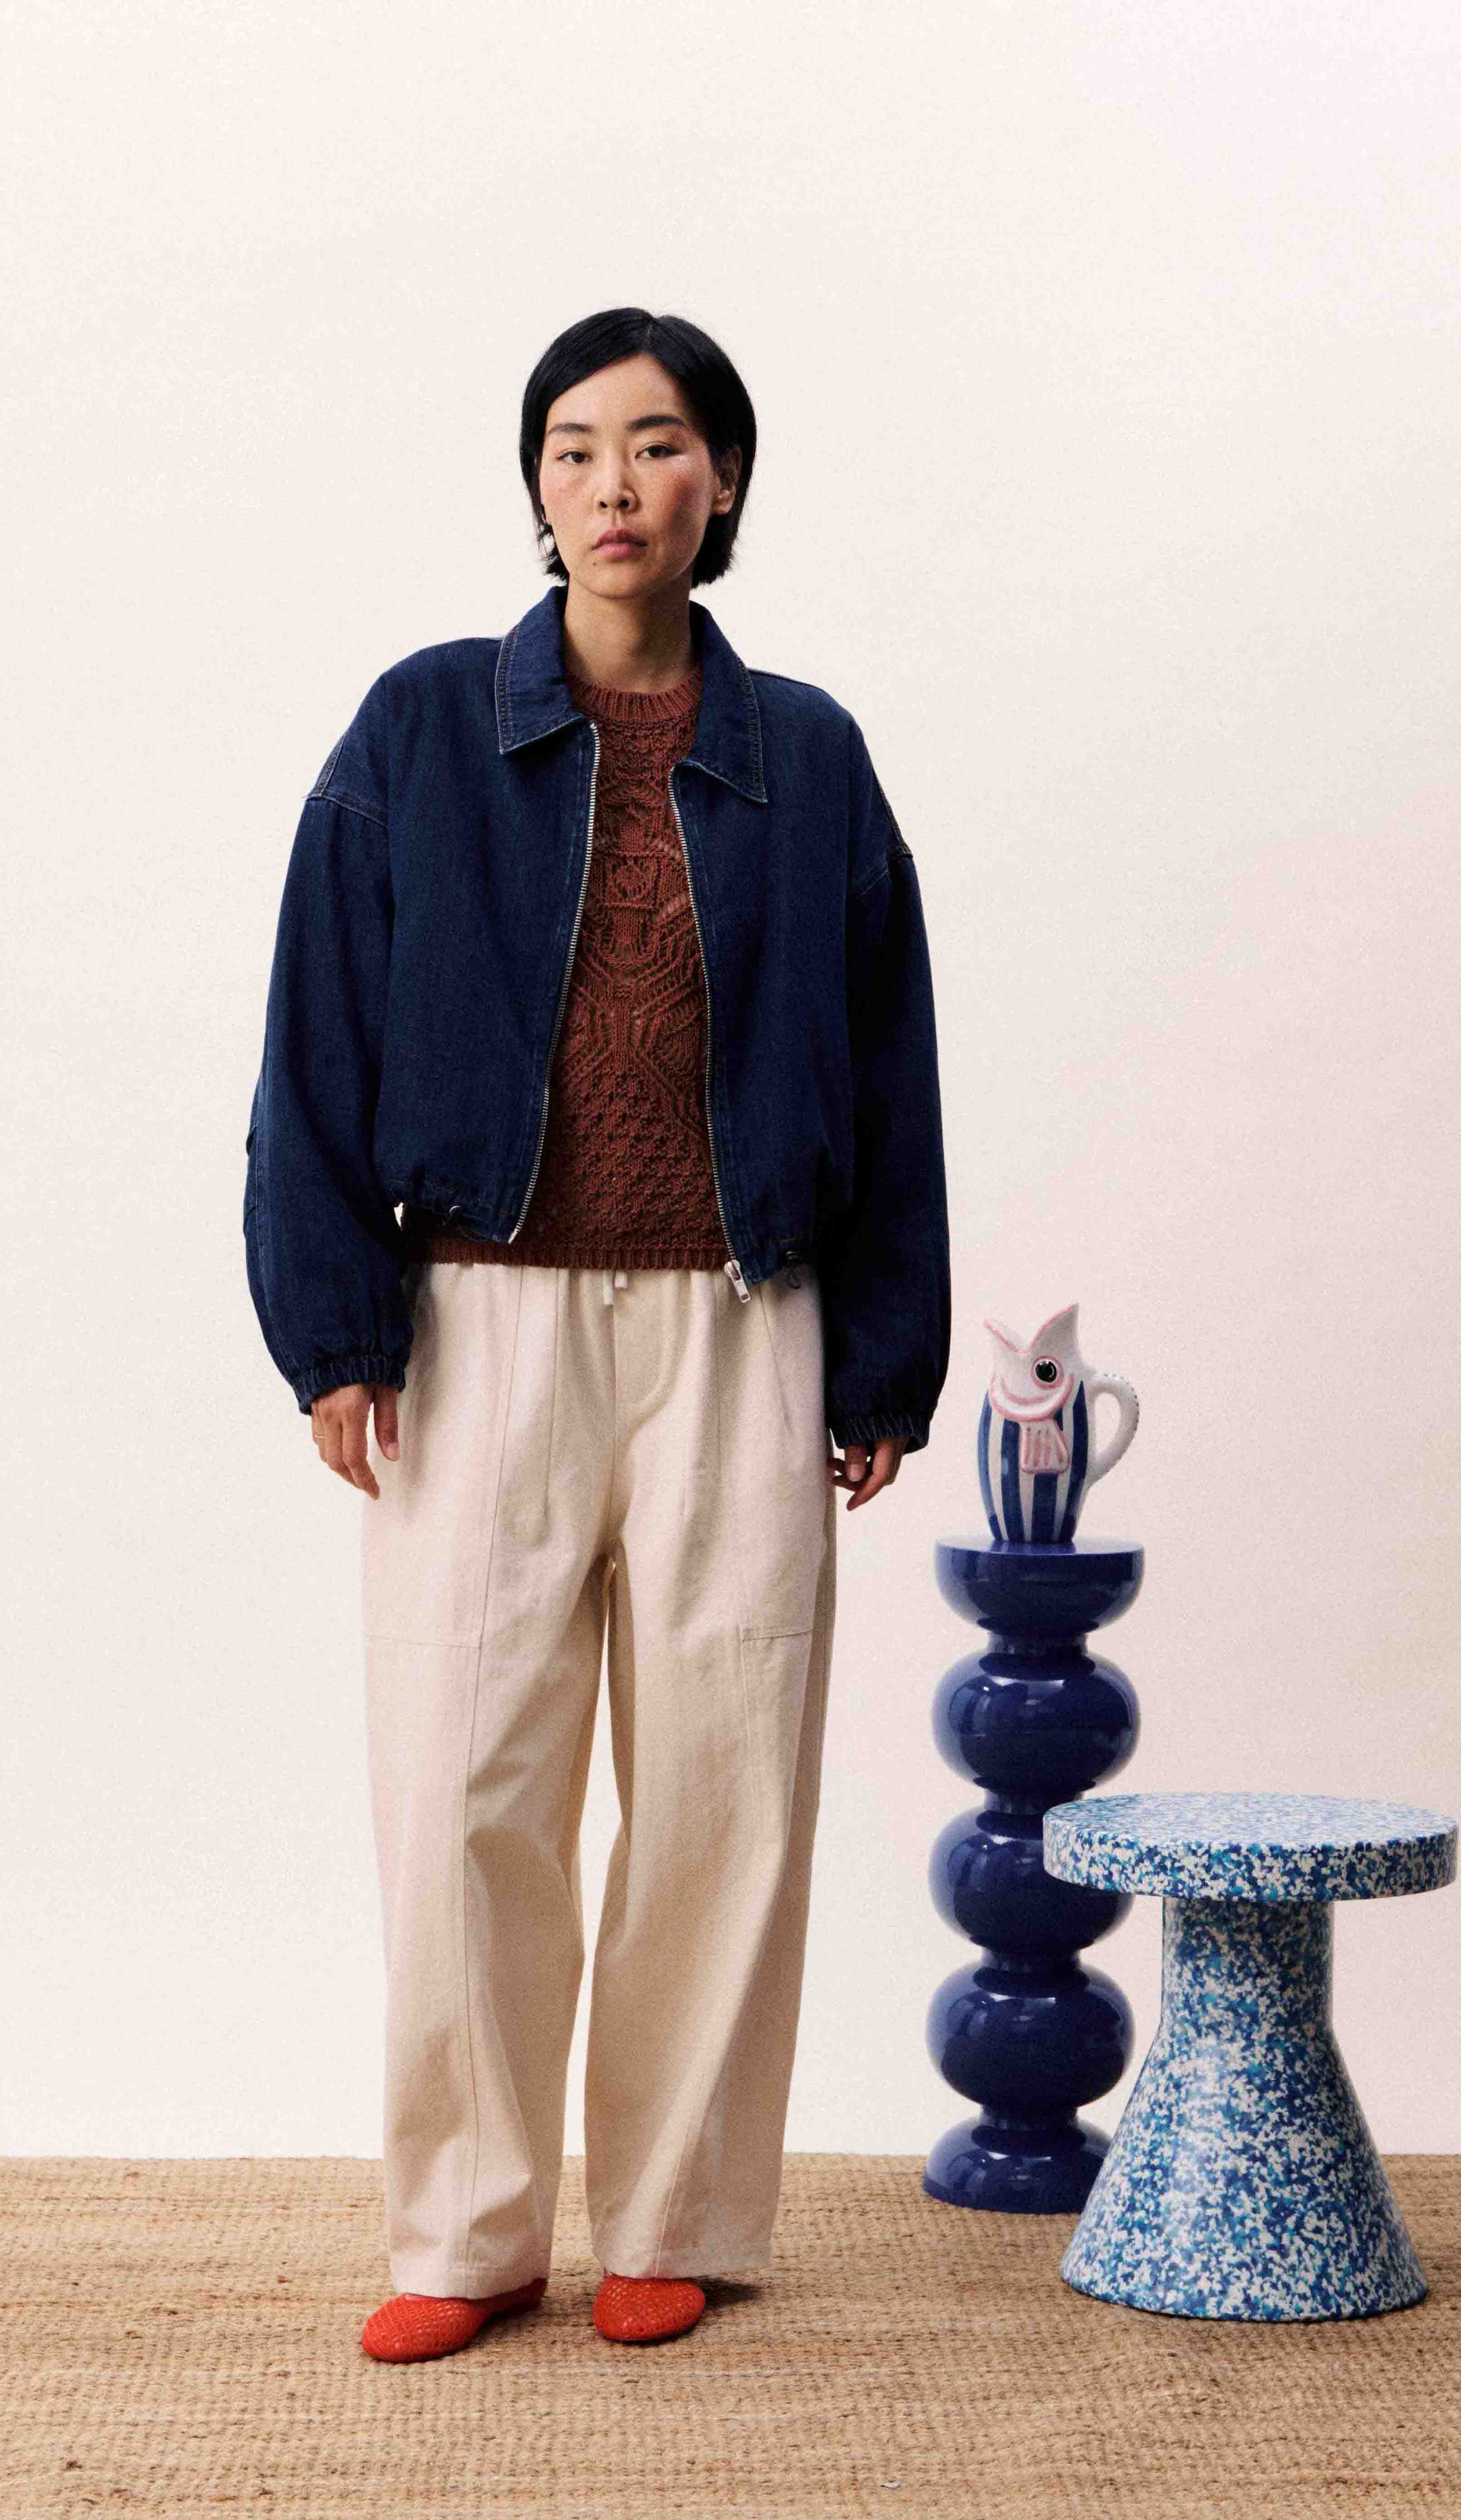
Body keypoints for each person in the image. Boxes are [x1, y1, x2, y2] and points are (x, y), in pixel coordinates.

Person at [244, 308, 951, 2363]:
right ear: (536, 488)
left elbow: (890, 1066)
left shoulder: (808, 755)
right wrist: (334, 1328)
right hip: (478, 1319)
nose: (612, 484)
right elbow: (313, 1036)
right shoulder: (418, 729)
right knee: (463, 1779)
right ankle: (464, 2231)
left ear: (722, 480)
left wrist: (882, 1356)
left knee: (724, 1778)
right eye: (571, 448)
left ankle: (675, 2217)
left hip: (747, 1319)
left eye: (654, 444)